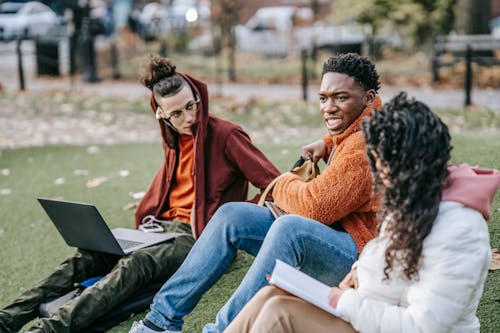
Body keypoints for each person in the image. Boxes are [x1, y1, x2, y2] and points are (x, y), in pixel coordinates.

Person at [0, 55, 280, 333]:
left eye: (190, 106)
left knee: (136, 263)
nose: (189, 117)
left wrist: (234, 215)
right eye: (177, 114)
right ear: (161, 115)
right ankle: (8, 318)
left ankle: (49, 330)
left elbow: (273, 184)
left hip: (197, 237)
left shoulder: (227, 136)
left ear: (197, 96)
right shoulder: (173, 139)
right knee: (87, 256)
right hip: (157, 229)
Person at [129, 52, 383, 333]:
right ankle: (160, 321)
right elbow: (345, 142)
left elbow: (315, 208)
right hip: (338, 235)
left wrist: (282, 183)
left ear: (369, 98)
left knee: (291, 229)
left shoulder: (364, 145)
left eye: (341, 98)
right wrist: (326, 141)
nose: (329, 107)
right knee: (231, 215)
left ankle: (222, 330)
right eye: (324, 98)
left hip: (359, 257)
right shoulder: (360, 127)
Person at [225, 92, 499, 333]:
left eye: (383, 167)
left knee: (279, 315)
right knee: (269, 296)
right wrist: (359, 271)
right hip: (370, 309)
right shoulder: (415, 196)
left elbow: (421, 326)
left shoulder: (460, 230)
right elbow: (387, 250)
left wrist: (343, 301)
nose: (379, 176)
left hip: (385, 322)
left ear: (411, 165)